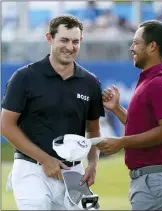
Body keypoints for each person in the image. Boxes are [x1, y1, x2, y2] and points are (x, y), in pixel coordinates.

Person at [1, 14, 104, 210]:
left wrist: (93, 163)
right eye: (64, 40)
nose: (70, 47)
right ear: (50, 38)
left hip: (73, 171)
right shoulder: (24, 77)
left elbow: (93, 130)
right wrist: (45, 159)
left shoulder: (90, 82)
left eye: (75, 41)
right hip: (31, 169)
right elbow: (6, 125)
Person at [97, 20, 162, 210]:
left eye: (136, 42)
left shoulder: (160, 83)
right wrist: (116, 109)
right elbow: (141, 126)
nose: (131, 48)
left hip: (155, 182)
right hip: (152, 181)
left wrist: (121, 142)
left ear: (152, 46)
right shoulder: (150, 81)